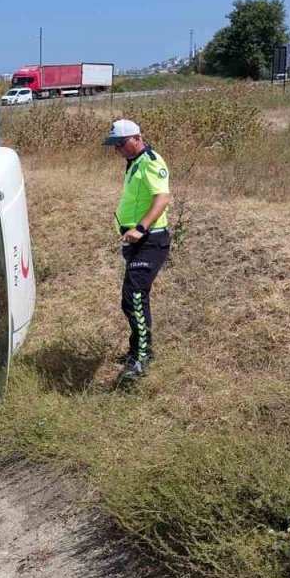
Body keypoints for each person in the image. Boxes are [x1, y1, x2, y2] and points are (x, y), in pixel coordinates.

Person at [102, 119, 172, 385]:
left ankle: (141, 358)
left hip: (150, 240)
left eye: (121, 144)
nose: (117, 149)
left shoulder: (151, 162)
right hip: (136, 243)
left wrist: (141, 227)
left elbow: (162, 198)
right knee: (136, 298)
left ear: (137, 138)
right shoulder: (134, 162)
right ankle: (139, 350)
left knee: (133, 297)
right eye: (115, 146)